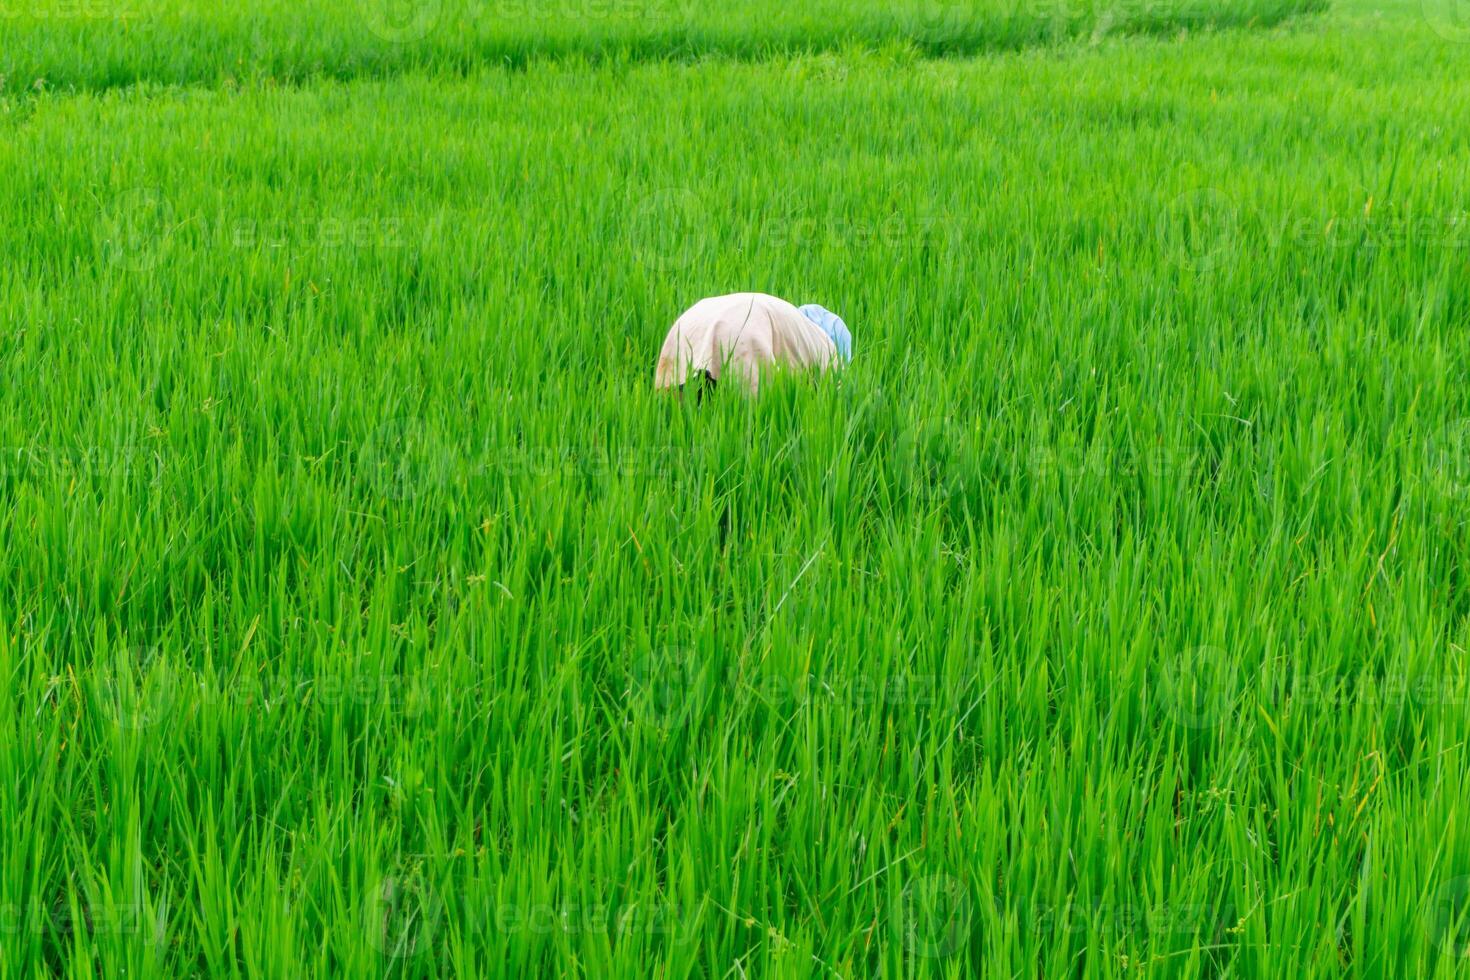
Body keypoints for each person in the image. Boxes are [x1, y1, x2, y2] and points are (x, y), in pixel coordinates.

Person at [654, 293, 851, 396]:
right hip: (744, 327)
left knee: (685, 408)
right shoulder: (829, 350)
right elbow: (833, 401)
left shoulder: (791, 320)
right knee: (752, 423)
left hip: (690, 320)